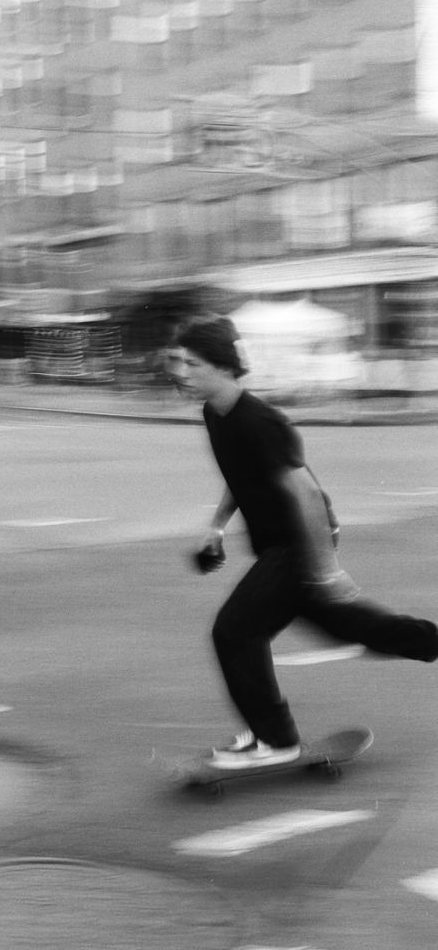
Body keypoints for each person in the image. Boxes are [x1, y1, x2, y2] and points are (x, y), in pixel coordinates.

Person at [167, 316, 438, 769]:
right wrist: (215, 527)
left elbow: (307, 495)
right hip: (283, 544)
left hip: (299, 542)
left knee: (235, 631)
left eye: (193, 364)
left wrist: (325, 568)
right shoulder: (215, 414)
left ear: (222, 368)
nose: (182, 373)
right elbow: (241, 476)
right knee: (346, 627)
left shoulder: (259, 421)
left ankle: (274, 739)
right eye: (182, 363)